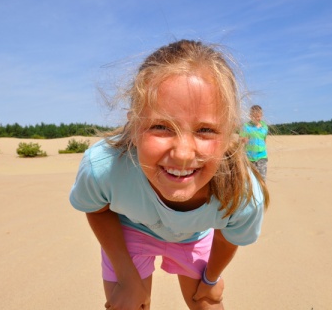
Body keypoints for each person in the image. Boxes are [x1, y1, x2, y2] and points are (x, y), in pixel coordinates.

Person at [69, 39, 269, 310]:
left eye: (206, 130)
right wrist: (127, 278)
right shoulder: (105, 167)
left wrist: (210, 281)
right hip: (131, 230)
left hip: (193, 235)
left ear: (228, 134)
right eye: (161, 126)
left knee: (206, 304)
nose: (183, 154)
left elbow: (225, 237)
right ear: (134, 126)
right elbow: (98, 210)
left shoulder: (242, 195)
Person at [240, 105, 269, 180]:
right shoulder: (246, 126)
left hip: (262, 157)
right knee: (251, 180)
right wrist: (243, 140)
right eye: (254, 117)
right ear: (250, 116)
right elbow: (240, 140)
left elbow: (264, 140)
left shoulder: (264, 126)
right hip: (249, 158)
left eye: (258, 116)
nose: (257, 119)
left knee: (262, 180)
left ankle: (261, 192)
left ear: (261, 115)